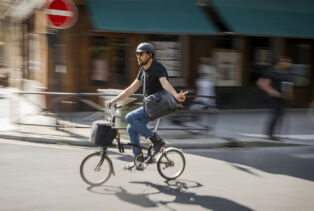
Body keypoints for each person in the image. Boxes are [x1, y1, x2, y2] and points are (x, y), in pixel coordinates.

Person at [105, 42, 188, 169]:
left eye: (141, 54)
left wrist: (176, 95)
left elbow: (164, 83)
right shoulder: (143, 71)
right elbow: (130, 90)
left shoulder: (157, 67)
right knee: (130, 128)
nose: (138, 56)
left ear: (150, 55)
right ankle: (138, 159)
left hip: (158, 104)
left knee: (129, 117)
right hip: (150, 106)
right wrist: (113, 101)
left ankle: (157, 141)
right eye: (137, 54)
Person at [257, 56, 293, 141]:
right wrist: (272, 91)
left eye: (289, 63)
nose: (288, 64)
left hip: (283, 97)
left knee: (280, 115)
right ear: (280, 63)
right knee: (275, 115)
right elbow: (261, 83)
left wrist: (289, 94)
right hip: (275, 97)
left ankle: (274, 133)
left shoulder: (285, 73)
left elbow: (287, 84)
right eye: (286, 62)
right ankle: (270, 134)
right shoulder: (272, 72)